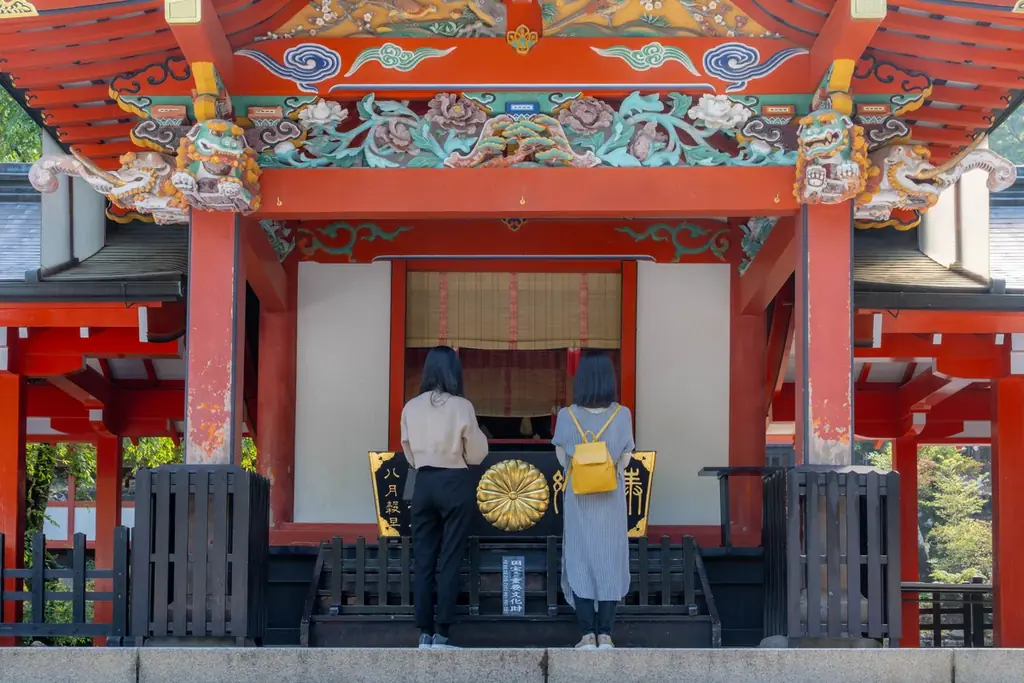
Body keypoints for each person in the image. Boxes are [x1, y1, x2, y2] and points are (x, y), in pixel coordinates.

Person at [401, 346, 488, 649]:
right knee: (450, 557)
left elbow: (409, 453)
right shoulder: (462, 406)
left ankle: (423, 631)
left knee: (424, 559)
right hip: (454, 481)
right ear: (454, 372)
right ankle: (443, 632)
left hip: (423, 482)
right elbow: (477, 453)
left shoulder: (410, 407)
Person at [552, 351, 635, 650]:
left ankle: (587, 634)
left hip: (578, 498)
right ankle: (606, 634)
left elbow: (563, 459)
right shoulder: (622, 414)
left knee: (580, 558)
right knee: (610, 562)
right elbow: (625, 460)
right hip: (610, 498)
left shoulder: (567, 416)